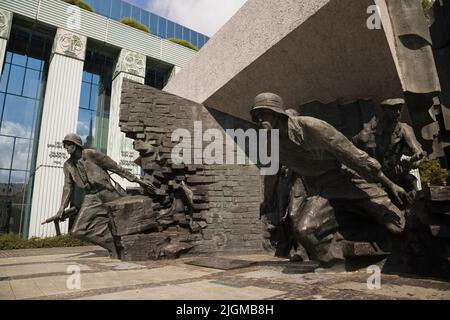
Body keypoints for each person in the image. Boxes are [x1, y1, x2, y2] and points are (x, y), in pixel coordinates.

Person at [250, 93, 411, 264]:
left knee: (397, 226)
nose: (259, 119)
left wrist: (390, 183)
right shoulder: (269, 142)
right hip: (321, 189)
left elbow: (353, 154)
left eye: (264, 113)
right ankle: (336, 261)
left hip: (348, 179)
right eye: (256, 115)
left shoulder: (310, 126)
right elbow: (271, 173)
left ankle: (390, 247)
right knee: (305, 230)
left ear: (276, 114)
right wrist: (267, 201)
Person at [57, 133, 152, 256]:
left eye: (68, 144)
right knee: (77, 231)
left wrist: (137, 180)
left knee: (125, 221)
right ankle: (113, 245)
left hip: (109, 193)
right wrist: (61, 208)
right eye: (65, 145)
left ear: (76, 145)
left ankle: (130, 246)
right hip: (91, 197)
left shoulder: (91, 154)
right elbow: (68, 187)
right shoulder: (68, 165)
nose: (66, 147)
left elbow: (116, 168)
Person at [353, 98, 426, 193]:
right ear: (384, 111)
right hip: (375, 179)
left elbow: (419, 153)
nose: (398, 113)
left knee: (412, 186)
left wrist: (412, 163)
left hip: (397, 174)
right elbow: (355, 156)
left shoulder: (404, 129)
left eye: (400, 109)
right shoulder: (367, 134)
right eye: (393, 109)